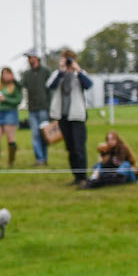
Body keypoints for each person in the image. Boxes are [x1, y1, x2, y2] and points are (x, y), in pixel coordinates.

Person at [48, 50, 93, 187]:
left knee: (79, 147)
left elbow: (88, 85)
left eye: (70, 59)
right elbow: (51, 86)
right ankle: (76, 176)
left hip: (77, 116)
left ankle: (83, 176)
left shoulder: (79, 74)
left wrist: (77, 70)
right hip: (62, 115)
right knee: (70, 147)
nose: (67, 61)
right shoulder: (57, 74)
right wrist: (61, 70)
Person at [21, 51, 52, 166]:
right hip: (32, 110)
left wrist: (50, 107)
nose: (29, 59)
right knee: (35, 135)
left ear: (36, 58)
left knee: (44, 134)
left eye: (31, 57)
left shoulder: (45, 72)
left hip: (43, 108)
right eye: (28, 58)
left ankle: (44, 158)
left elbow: (50, 90)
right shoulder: (27, 74)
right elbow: (21, 85)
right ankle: (40, 159)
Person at [0, 67, 23, 168]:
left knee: (10, 140)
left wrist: (6, 99)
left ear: (11, 75)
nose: (5, 76)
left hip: (10, 114)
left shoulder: (15, 87)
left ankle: (10, 163)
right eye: (3, 74)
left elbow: (18, 101)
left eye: (7, 73)